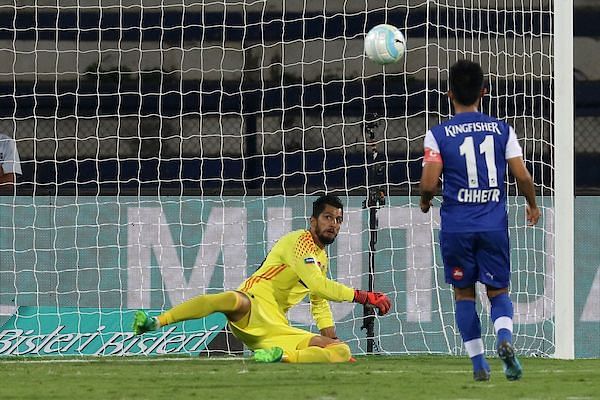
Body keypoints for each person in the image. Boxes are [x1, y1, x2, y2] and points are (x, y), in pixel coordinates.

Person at [132, 194, 391, 363]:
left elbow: (318, 300)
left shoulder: (321, 259)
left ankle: (281, 356)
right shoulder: (299, 242)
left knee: (341, 351)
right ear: (312, 221)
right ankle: (157, 321)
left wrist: (331, 338)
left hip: (274, 328)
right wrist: (363, 297)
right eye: (327, 217)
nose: (333, 224)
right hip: (252, 304)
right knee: (229, 299)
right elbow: (318, 285)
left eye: (338, 220)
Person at [419, 60, 540, 381]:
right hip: (492, 225)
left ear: (448, 94)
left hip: (457, 227)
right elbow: (522, 175)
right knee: (498, 292)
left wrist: (425, 201)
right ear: (483, 92)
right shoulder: (503, 130)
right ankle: (504, 338)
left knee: (464, 294)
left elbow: (429, 183)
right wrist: (532, 204)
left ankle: (478, 364)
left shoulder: (438, 135)